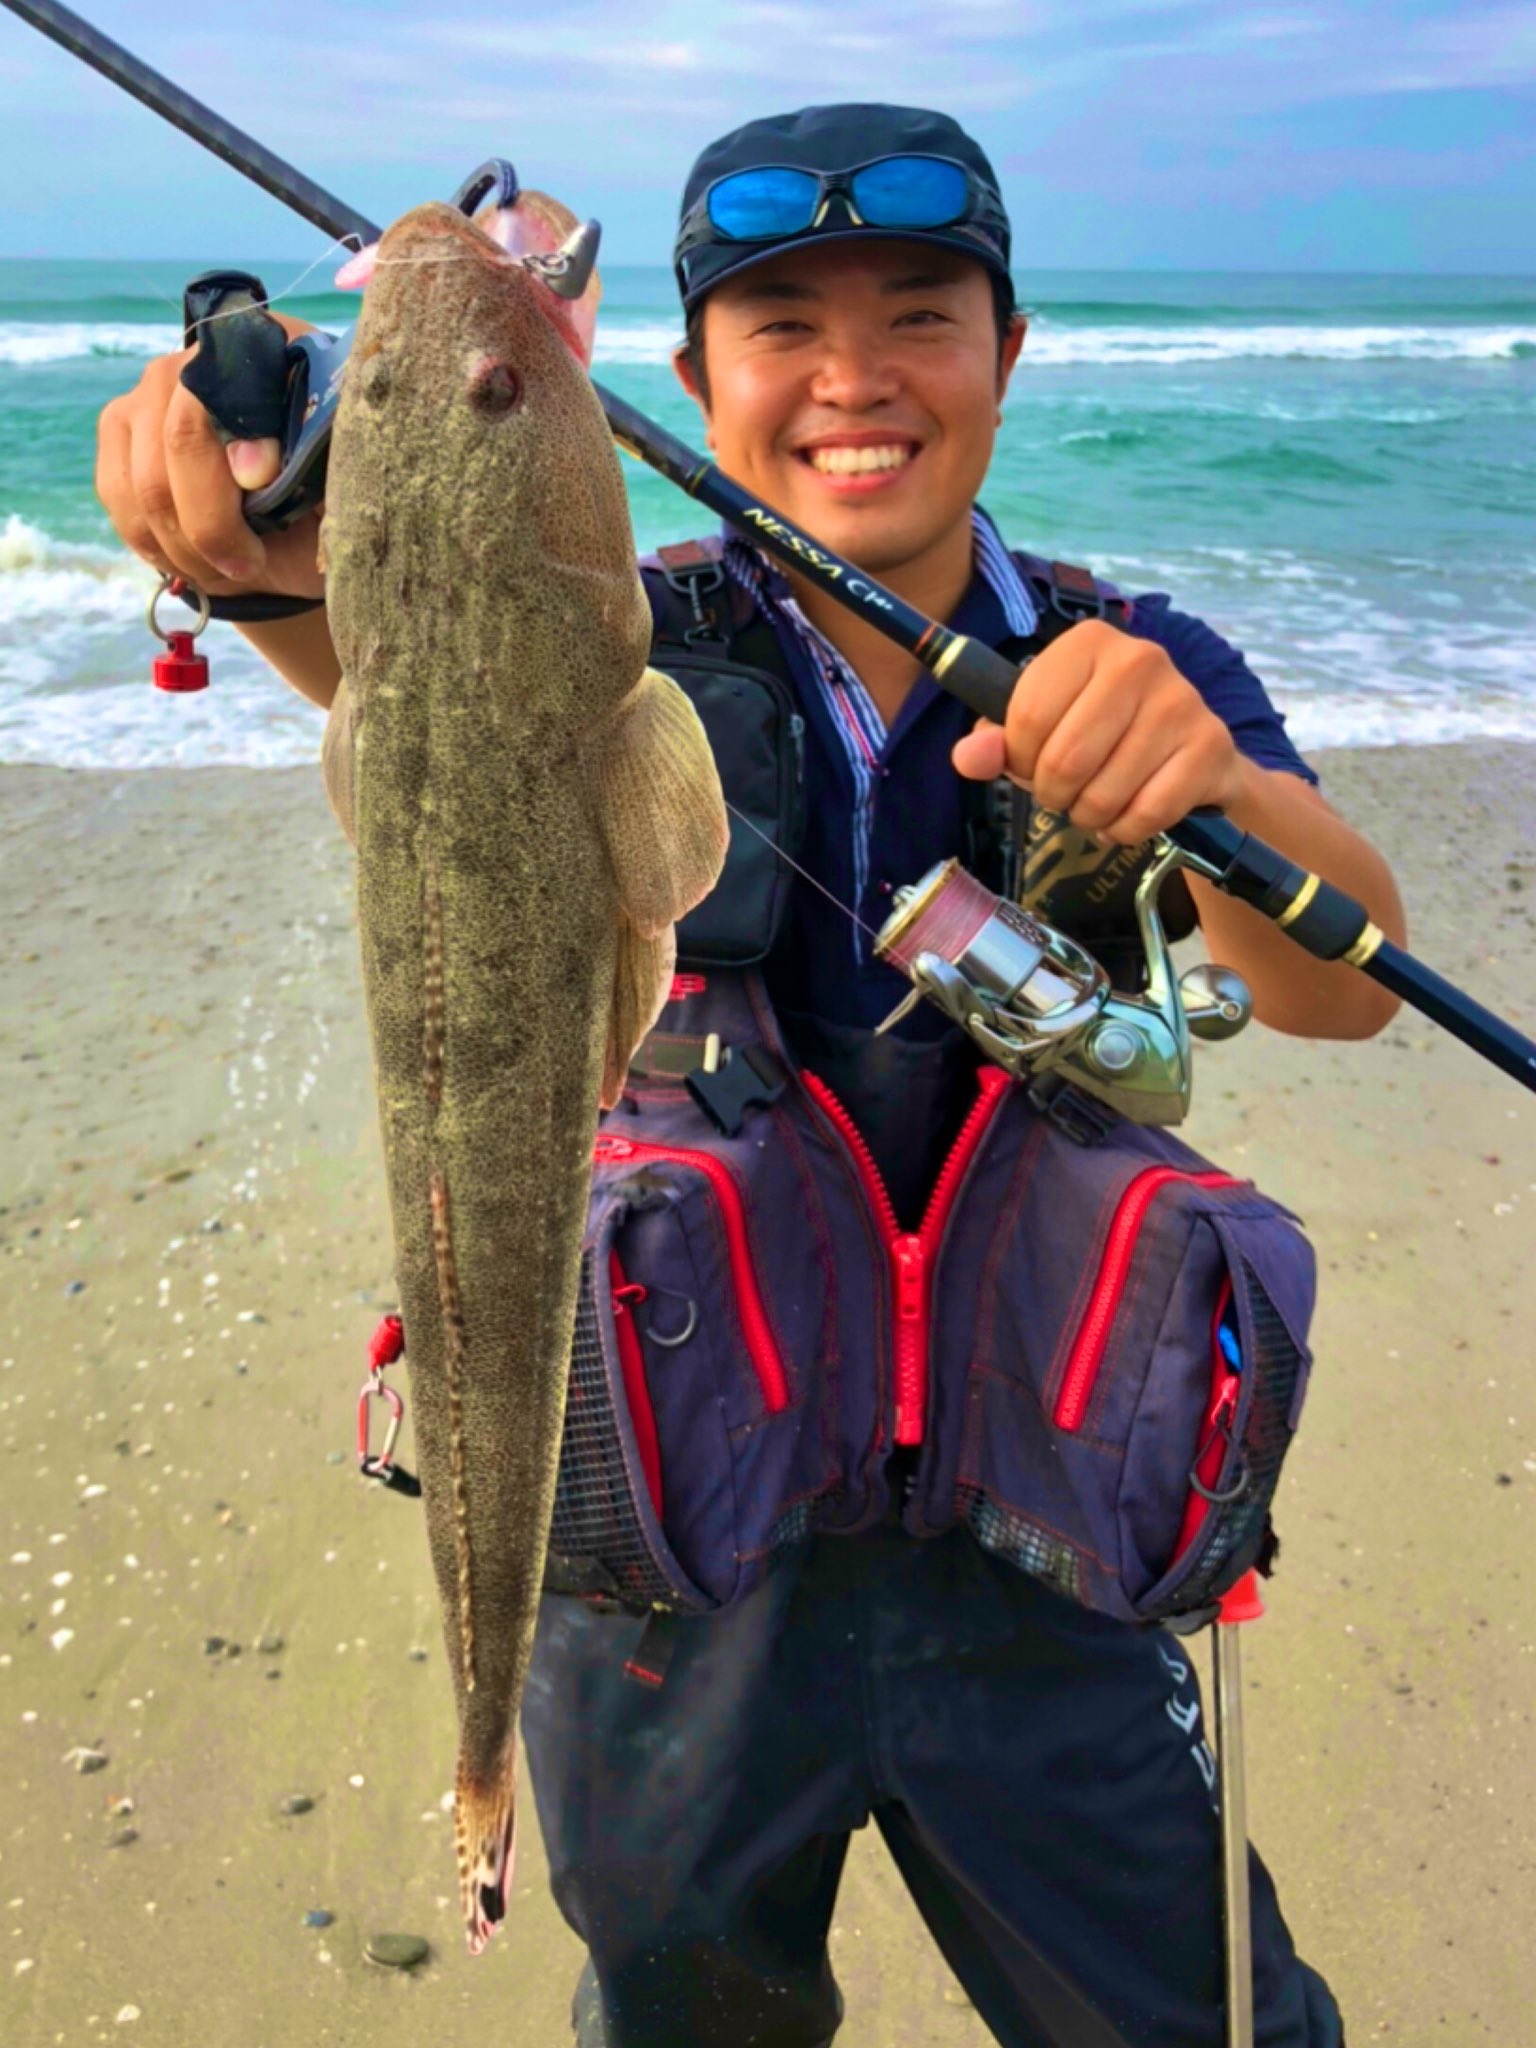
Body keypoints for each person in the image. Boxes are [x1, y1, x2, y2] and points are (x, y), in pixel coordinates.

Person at [96, 101, 1404, 2047]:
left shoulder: (1126, 653)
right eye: (782, 323)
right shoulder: (617, 625)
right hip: (670, 1581)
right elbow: (387, 665)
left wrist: (1202, 772)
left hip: (1039, 1559)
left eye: (921, 315)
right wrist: (250, 551)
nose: (856, 377)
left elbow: (1346, 977)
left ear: (1013, 351)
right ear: (688, 379)